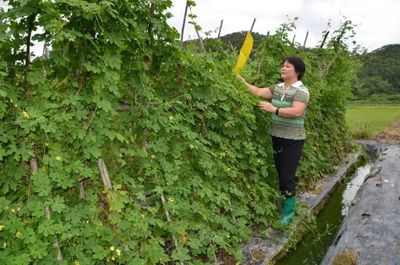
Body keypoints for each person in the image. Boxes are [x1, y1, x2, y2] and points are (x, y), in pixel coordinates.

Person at [238, 56, 309, 225]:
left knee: (287, 175)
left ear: (297, 71)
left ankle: (288, 214)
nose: (283, 68)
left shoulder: (302, 91)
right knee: (280, 171)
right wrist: (241, 81)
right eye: (282, 66)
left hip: (294, 140)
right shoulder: (277, 88)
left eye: (287, 66)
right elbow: (257, 91)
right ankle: (283, 202)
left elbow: (297, 111)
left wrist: (273, 109)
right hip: (276, 137)